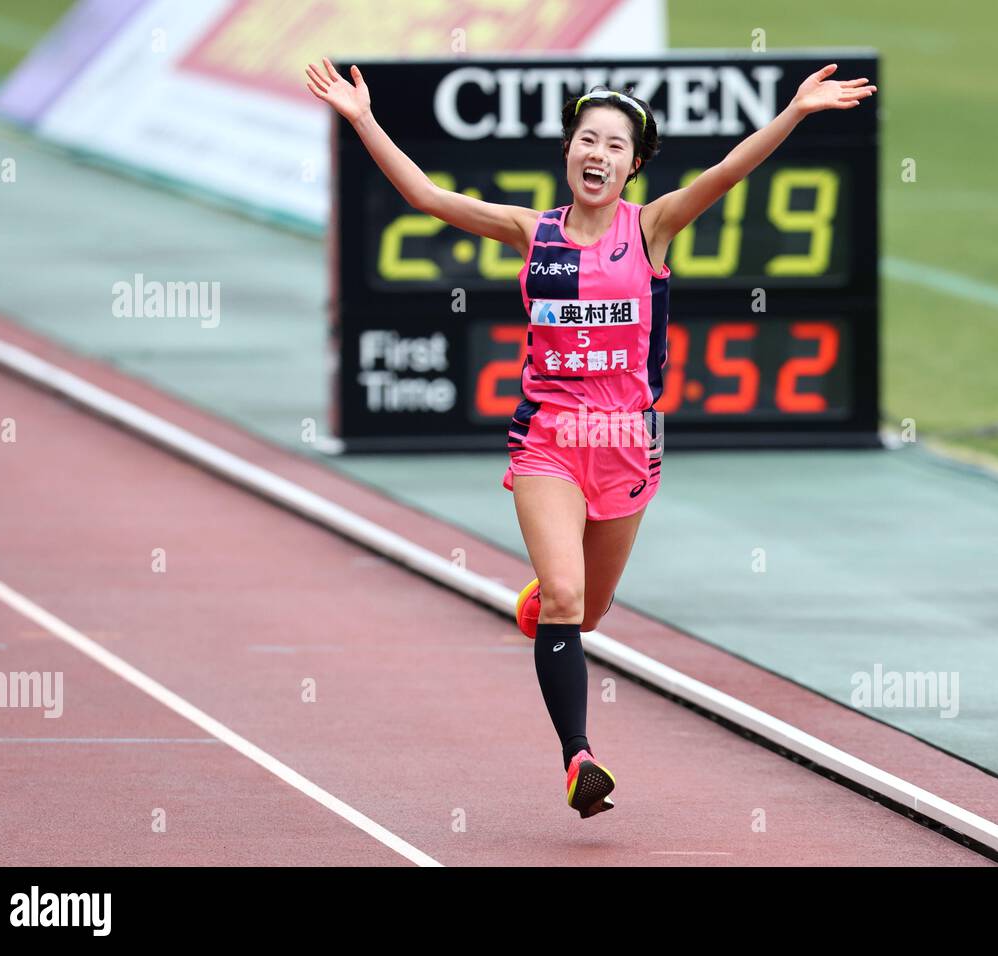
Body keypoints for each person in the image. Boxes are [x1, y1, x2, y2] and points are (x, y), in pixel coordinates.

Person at [306, 56, 876, 819]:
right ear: (567, 153)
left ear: (634, 166)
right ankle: (579, 760)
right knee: (568, 598)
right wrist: (362, 118)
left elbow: (731, 170)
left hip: (625, 446)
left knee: (588, 609)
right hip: (547, 440)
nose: (596, 153)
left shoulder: (654, 228)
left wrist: (797, 111)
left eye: (613, 145)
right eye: (585, 140)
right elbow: (425, 196)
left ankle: (544, 598)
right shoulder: (528, 232)